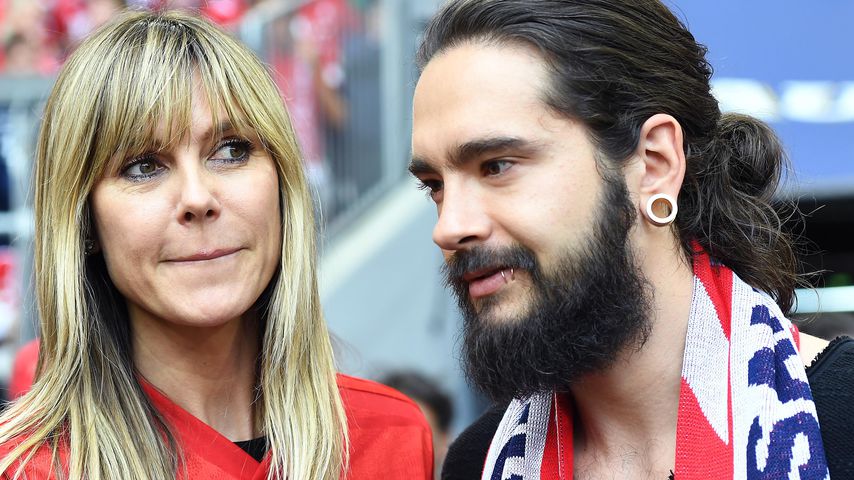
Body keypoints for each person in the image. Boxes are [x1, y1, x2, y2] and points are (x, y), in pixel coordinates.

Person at [408, 1, 854, 479]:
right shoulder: (477, 462)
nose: (448, 227)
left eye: (496, 166)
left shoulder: (843, 414)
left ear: (655, 165)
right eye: (435, 185)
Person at [0, 10, 432, 479]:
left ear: (283, 183)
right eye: (143, 166)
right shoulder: (27, 469)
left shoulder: (394, 437)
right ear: (85, 223)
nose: (198, 198)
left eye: (231, 150)